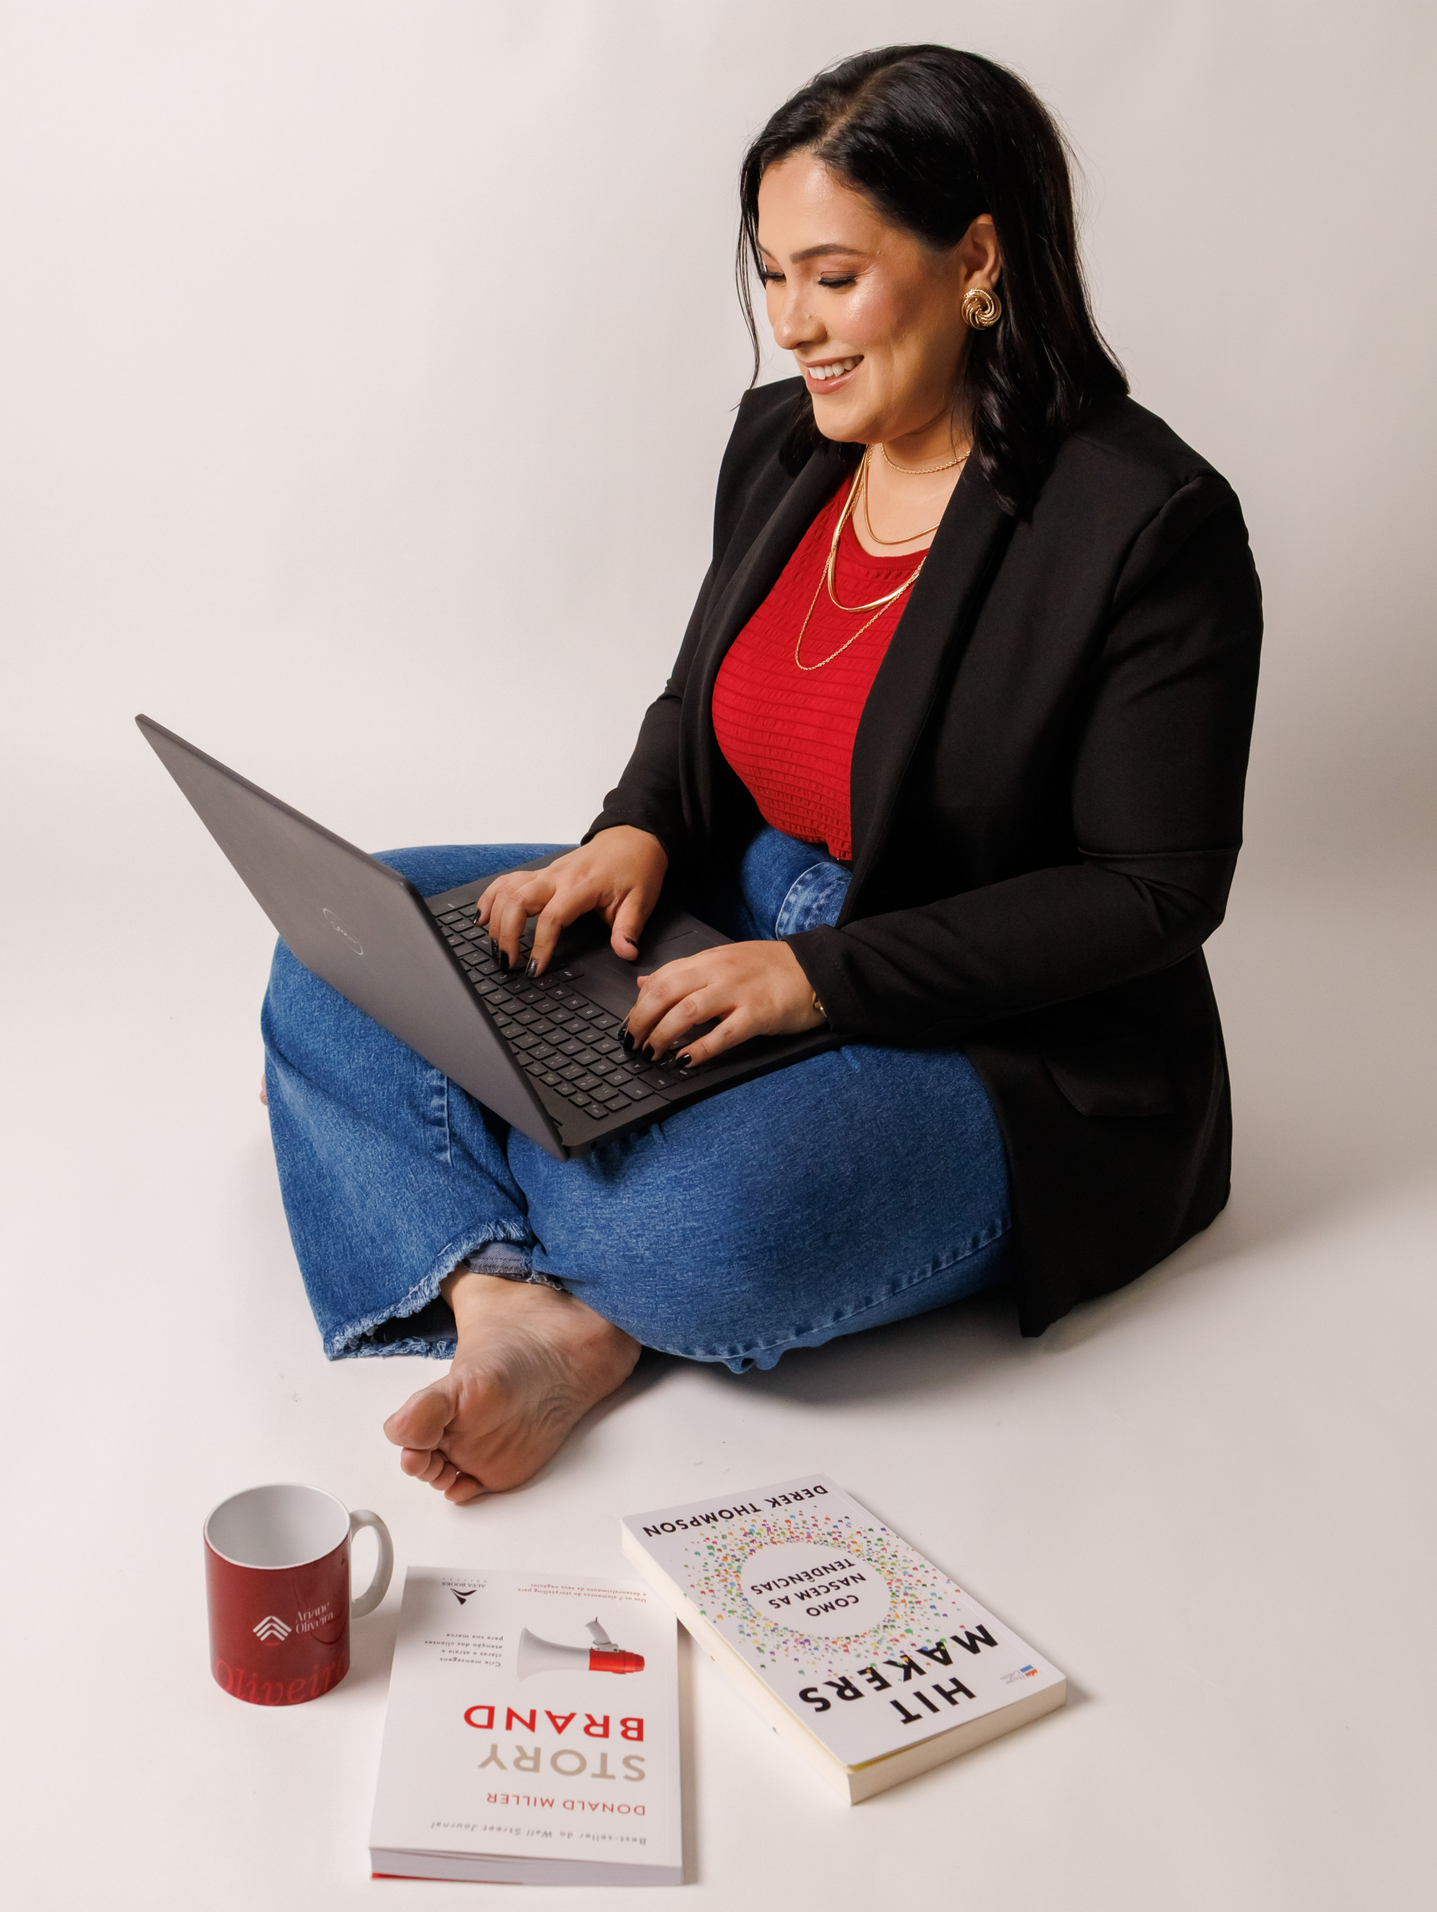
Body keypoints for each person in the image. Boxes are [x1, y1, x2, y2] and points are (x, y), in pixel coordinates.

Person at [261, 45, 1262, 1504]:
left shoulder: (1146, 521)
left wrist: (817, 981)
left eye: (834, 277)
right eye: (774, 275)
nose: (793, 325)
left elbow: (1151, 892)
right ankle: (509, 1301)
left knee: (696, 1226)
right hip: (741, 905)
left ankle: (546, 1230)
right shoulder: (785, 444)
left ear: (979, 261)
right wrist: (634, 833)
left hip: (1003, 1028)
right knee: (340, 941)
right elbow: (703, 700)